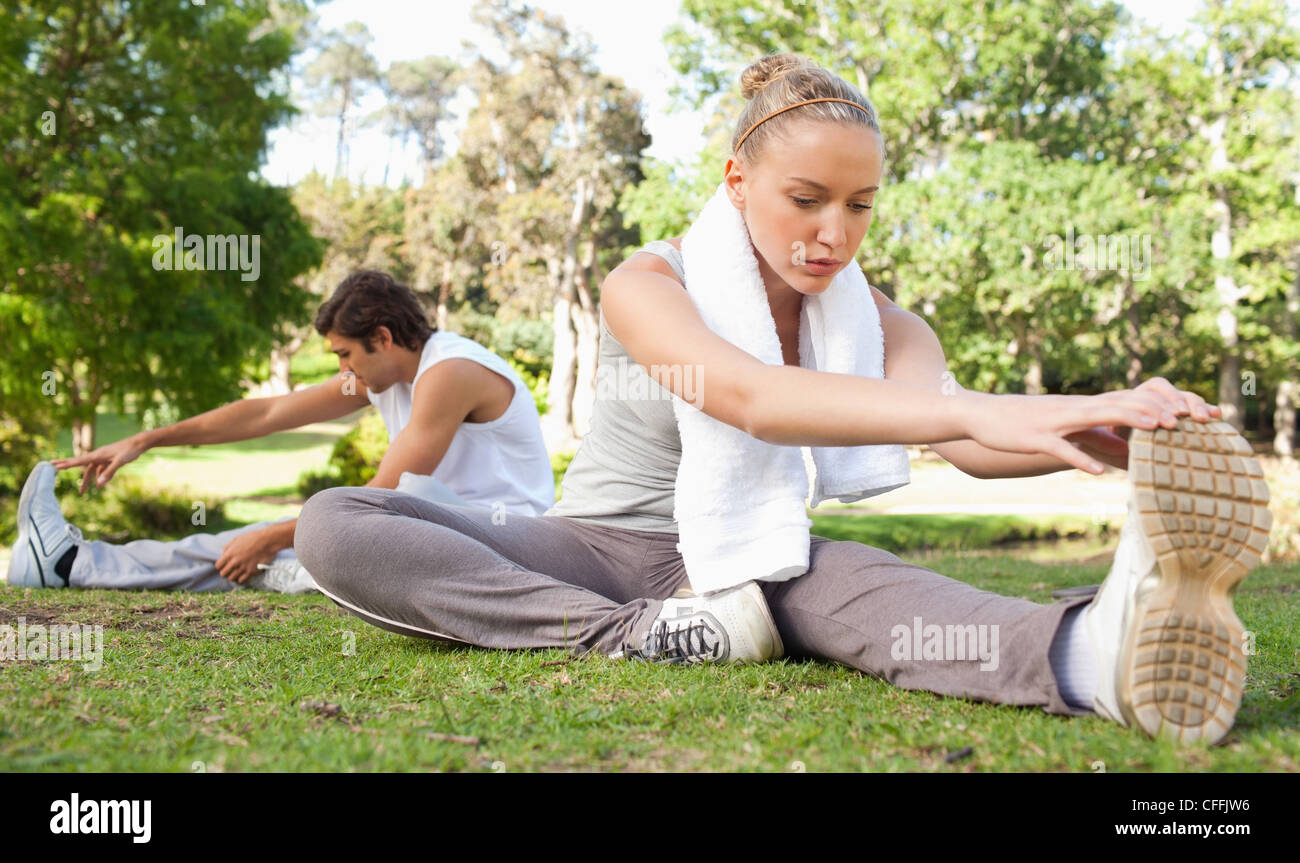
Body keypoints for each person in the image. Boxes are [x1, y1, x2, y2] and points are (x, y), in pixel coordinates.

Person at [291, 54, 1271, 745]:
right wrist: (977, 410)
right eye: (805, 198)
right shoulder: (650, 282)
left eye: (859, 205)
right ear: (737, 181)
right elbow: (750, 398)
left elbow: (966, 441)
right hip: (588, 547)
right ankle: (635, 637)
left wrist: (1108, 432)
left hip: (746, 561)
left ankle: (1096, 653)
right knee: (338, 521)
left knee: (873, 592)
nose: (832, 232)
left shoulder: (881, 322)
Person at [8, 270, 555, 594]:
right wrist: (146, 440)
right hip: (438, 530)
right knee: (260, 547)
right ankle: (74, 566)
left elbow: (376, 497)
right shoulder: (386, 374)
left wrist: (270, 536)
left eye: (344, 354)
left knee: (272, 539)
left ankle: (69, 565)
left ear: (382, 337)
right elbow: (266, 415)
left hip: (498, 544)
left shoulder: (450, 371)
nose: (343, 371)